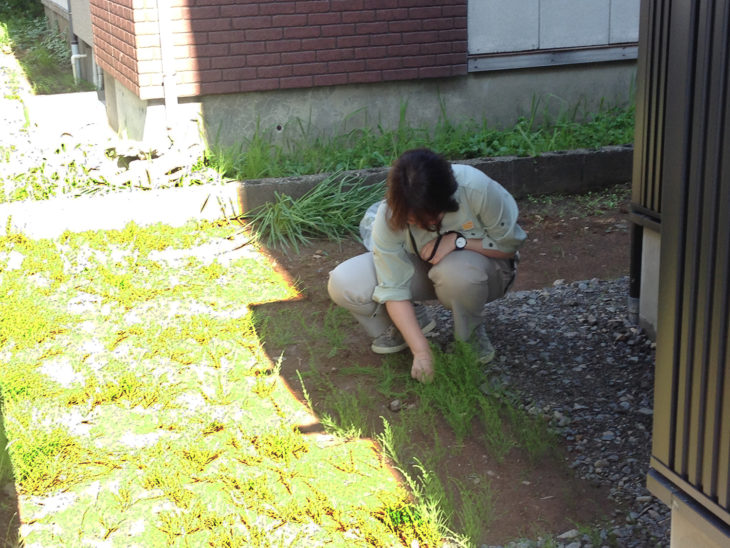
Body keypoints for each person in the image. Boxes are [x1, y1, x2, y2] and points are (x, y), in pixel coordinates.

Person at [327, 148, 526, 383]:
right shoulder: (388, 216)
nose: (427, 225)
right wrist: (421, 352)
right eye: (414, 220)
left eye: (435, 216)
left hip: (484, 270)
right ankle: (409, 328)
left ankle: (470, 339)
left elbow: (508, 246)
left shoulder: (476, 187)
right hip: (425, 269)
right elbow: (393, 287)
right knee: (344, 280)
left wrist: (458, 241)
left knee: (456, 274)